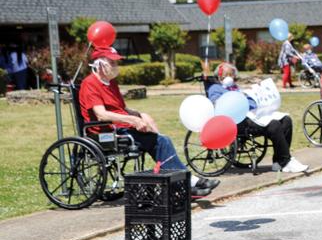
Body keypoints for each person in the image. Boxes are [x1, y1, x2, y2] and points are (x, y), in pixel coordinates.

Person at [78, 47, 219, 197]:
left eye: (116, 63)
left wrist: (141, 115)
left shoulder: (111, 83)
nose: (115, 66)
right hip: (105, 133)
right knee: (161, 142)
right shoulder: (90, 84)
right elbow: (101, 115)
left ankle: (185, 183)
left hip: (122, 129)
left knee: (161, 140)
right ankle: (188, 183)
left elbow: (122, 109)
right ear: (99, 65)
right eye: (112, 63)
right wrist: (132, 119)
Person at [208, 63, 308, 173]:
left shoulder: (236, 88)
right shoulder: (215, 88)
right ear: (219, 76)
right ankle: (286, 161)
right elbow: (217, 105)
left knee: (286, 120)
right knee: (274, 125)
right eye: (226, 75)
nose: (229, 77)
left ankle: (278, 162)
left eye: (231, 74)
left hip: (253, 114)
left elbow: (251, 101)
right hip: (237, 121)